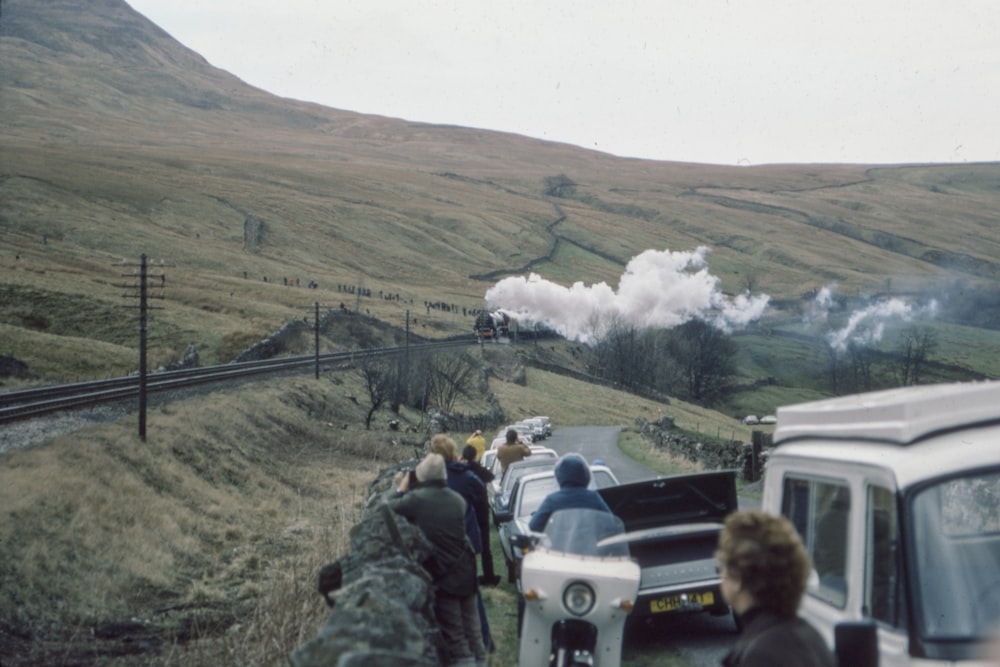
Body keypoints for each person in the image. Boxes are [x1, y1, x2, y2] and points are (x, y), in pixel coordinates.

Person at [389, 453, 486, 666]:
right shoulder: (457, 500)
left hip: (446, 575)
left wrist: (402, 487)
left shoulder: (417, 500)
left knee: (456, 635)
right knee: (474, 631)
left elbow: (389, 508)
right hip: (467, 570)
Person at [715, 510, 836, 667]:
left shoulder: (763, 655)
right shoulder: (810, 636)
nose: (721, 574)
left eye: (722, 567)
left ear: (738, 579)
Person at [430, 435, 496, 652]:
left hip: (437, 540)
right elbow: (480, 494)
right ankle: (484, 641)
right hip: (465, 540)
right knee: (470, 591)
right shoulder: (465, 476)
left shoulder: (429, 474)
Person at [528, 453, 612, 533]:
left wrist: (552, 530)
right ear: (585, 474)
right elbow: (610, 523)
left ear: (559, 475)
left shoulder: (552, 500)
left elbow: (534, 526)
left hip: (559, 546)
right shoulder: (593, 497)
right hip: (589, 546)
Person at [461, 444, 500, 586]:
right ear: (475, 455)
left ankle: (471, 576)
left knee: (467, 545)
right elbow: (491, 476)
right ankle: (489, 576)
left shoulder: (462, 469)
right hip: (481, 509)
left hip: (467, 510)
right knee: (485, 545)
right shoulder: (478, 468)